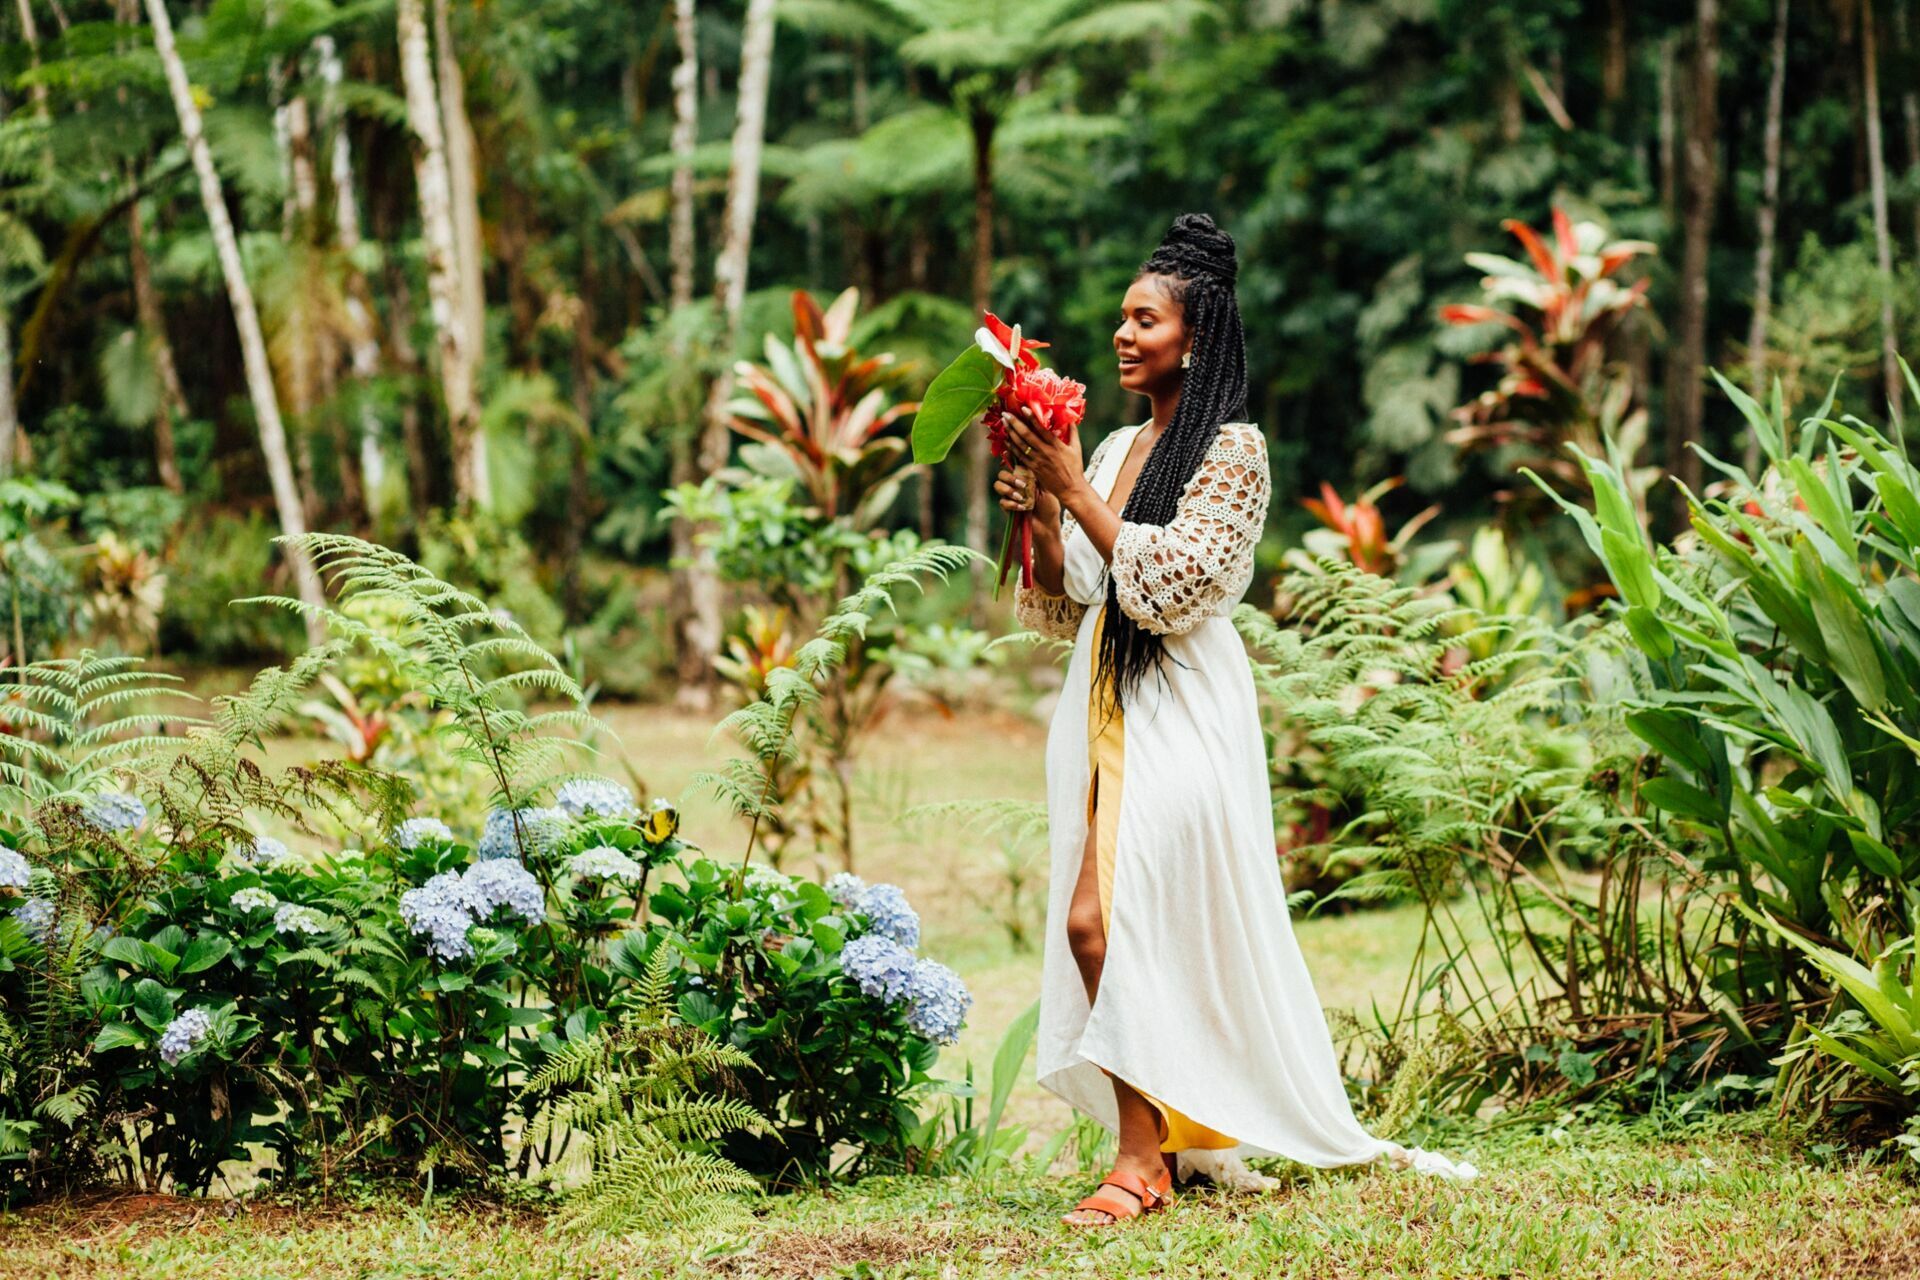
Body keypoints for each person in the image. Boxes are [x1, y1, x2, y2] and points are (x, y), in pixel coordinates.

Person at [996, 213, 1477, 1228]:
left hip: (1181, 706)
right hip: (1104, 702)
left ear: (1199, 337)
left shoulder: (1236, 451)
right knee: (1111, 918)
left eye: (1146, 320)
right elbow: (1076, 592)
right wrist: (1041, 504)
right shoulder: (1125, 443)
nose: (1124, 336)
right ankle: (1170, 1138)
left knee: (1101, 917)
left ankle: (1144, 1157)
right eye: (1122, 319)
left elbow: (1174, 586)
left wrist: (1074, 485)